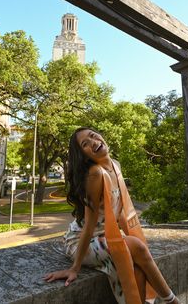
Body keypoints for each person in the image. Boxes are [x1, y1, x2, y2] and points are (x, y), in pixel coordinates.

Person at [44, 127, 180, 304]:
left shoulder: (115, 165)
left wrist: (132, 239)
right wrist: (74, 268)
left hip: (106, 235)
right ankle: (172, 301)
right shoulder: (95, 174)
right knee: (137, 248)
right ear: (83, 156)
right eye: (85, 144)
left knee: (138, 267)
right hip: (80, 242)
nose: (93, 142)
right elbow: (89, 225)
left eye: (93, 136)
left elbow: (120, 211)